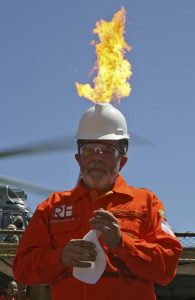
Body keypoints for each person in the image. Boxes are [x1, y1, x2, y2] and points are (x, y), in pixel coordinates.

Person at [13, 103, 182, 300]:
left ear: (123, 160)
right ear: (78, 158)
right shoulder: (52, 207)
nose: (97, 158)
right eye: (89, 150)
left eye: (107, 150)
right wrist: (59, 257)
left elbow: (167, 269)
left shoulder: (147, 203)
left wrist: (123, 244)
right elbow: (22, 269)